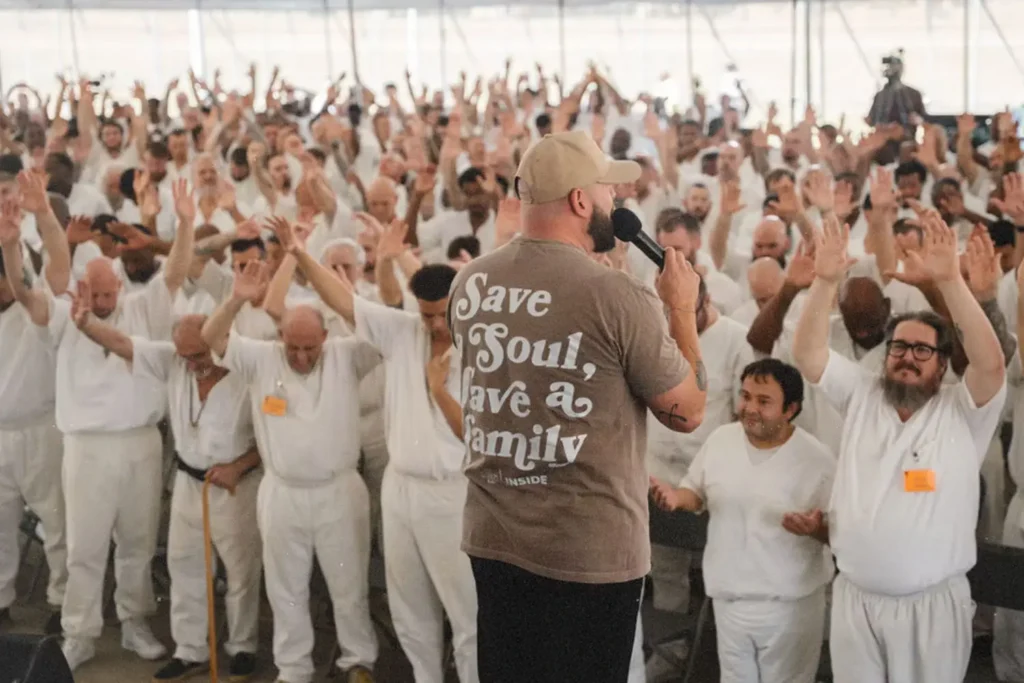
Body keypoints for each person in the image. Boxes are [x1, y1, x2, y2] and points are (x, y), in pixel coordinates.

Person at [446, 129, 708, 683]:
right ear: (580, 200)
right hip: (588, 554)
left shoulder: (469, 282)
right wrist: (680, 311)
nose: (617, 202)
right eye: (609, 191)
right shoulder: (616, 295)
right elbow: (686, 412)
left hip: (495, 540)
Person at [791, 212, 1007, 682]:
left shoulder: (962, 410)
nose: (907, 356)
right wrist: (826, 282)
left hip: (931, 609)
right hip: (855, 602)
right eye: (899, 348)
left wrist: (950, 280)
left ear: (943, 363)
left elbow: (992, 364)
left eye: (922, 350)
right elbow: (808, 355)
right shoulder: (865, 393)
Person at [284, 214, 479, 683]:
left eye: (442, 314)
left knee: (467, 614)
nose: (434, 324)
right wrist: (300, 254)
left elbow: (474, 435)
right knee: (409, 607)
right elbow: (345, 302)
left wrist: (440, 389)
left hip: (452, 493)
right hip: (400, 488)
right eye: (427, 313)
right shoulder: (402, 330)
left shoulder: (483, 347)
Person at [15, 179, 195, 671]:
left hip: (139, 443)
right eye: (92, 293)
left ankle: (135, 623)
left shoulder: (141, 308)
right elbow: (26, 294)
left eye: (107, 293)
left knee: (137, 543)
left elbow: (176, 271)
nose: (99, 300)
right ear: (82, 289)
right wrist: (28, 234)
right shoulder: (63, 312)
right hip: (86, 447)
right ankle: (80, 632)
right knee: (85, 548)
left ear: (119, 287)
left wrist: (185, 222)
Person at [201, 263, 378, 683]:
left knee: (348, 583)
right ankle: (293, 668)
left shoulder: (347, 355)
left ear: (325, 339)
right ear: (280, 338)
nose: (300, 357)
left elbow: (378, 332)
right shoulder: (261, 358)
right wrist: (236, 299)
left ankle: (357, 661)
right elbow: (211, 337)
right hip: (281, 491)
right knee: (286, 589)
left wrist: (347, 297)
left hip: (339, 490)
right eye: (292, 348)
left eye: (309, 348)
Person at [69, 312, 263, 682]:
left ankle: (242, 646)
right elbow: (123, 344)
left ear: (221, 342)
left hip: (236, 485)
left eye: (199, 355)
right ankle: (191, 650)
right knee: (185, 566)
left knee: (240, 571)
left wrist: (238, 466)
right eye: (185, 355)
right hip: (189, 483)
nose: (191, 363)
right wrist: (85, 323)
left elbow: (272, 438)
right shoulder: (175, 362)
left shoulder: (249, 372)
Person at [650, 358, 835, 683]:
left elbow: (840, 533)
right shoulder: (723, 439)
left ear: (791, 409)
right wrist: (676, 497)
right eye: (746, 396)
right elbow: (696, 492)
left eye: (764, 402)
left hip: (789, 605)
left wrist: (816, 530)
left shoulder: (817, 459)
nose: (749, 408)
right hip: (729, 597)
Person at [0, 171, 72, 635]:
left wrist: (35, 220)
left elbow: (48, 271)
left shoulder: (35, 315)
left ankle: (61, 603)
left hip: (41, 431)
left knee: (57, 523)